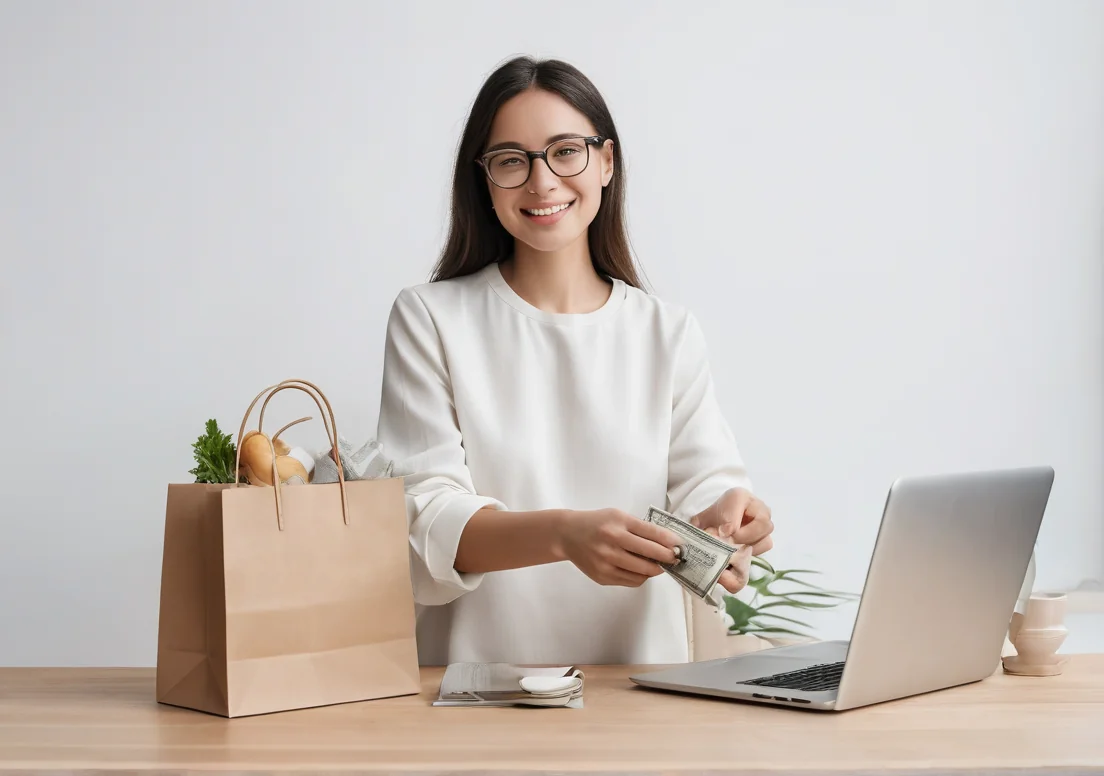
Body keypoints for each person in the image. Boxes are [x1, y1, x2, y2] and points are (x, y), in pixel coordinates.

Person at [375, 55, 774, 667]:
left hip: (642, 688)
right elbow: (424, 520)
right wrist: (564, 535)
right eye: (512, 160)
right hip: (478, 693)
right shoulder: (431, 318)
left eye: (566, 151)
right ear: (484, 180)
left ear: (607, 161)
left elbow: (707, 486)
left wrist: (728, 519)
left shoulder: (667, 332)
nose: (542, 182)